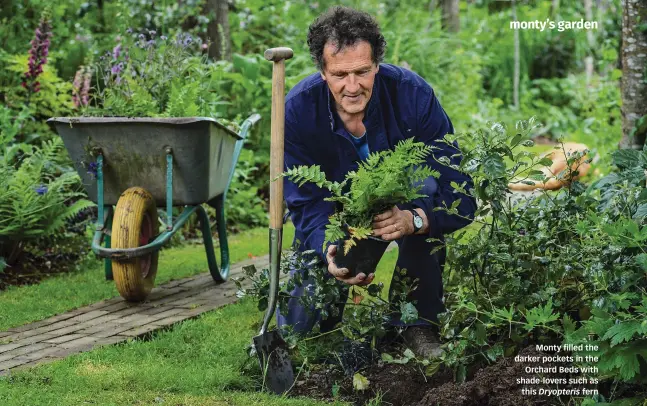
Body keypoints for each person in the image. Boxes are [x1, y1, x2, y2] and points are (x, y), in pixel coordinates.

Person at [276, 6, 476, 357]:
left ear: (377, 67)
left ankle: (416, 322)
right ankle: (329, 308)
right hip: (339, 217)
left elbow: (460, 194)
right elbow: (305, 200)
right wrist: (328, 247)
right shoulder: (298, 109)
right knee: (300, 328)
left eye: (362, 72)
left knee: (424, 186)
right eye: (340, 74)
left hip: (399, 215)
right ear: (322, 71)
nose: (352, 87)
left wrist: (414, 219)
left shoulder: (413, 96)